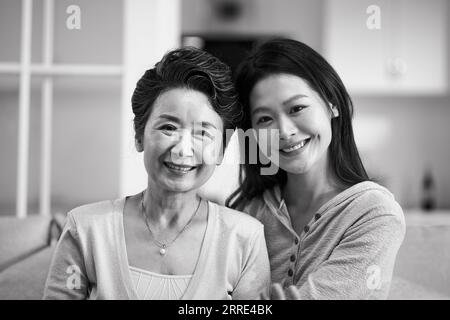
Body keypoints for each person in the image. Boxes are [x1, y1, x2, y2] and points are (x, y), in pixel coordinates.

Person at [43, 47, 270, 300]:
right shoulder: (85, 229)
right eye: (169, 127)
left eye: (203, 133)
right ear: (139, 135)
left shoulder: (244, 238)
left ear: (220, 151)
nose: (183, 149)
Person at [226, 38, 406, 299]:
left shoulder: (374, 212)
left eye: (297, 108)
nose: (285, 131)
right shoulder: (248, 211)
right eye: (265, 119)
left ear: (332, 103)